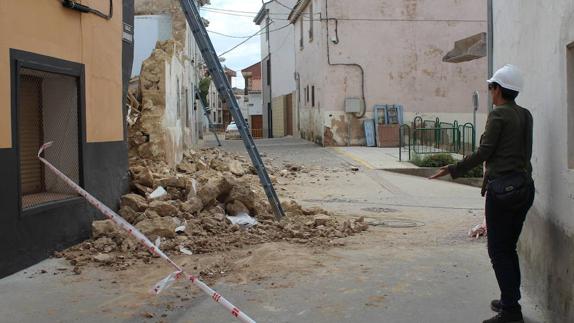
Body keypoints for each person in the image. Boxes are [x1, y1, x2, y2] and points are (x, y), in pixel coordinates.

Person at [430, 64, 534, 323]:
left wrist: (453, 168)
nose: (490, 92)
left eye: (491, 87)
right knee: (508, 248)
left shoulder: (498, 115)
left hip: (503, 191)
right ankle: (510, 299)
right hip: (524, 187)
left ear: (497, 89)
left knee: (499, 251)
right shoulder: (525, 114)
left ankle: (511, 311)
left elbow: (483, 152)